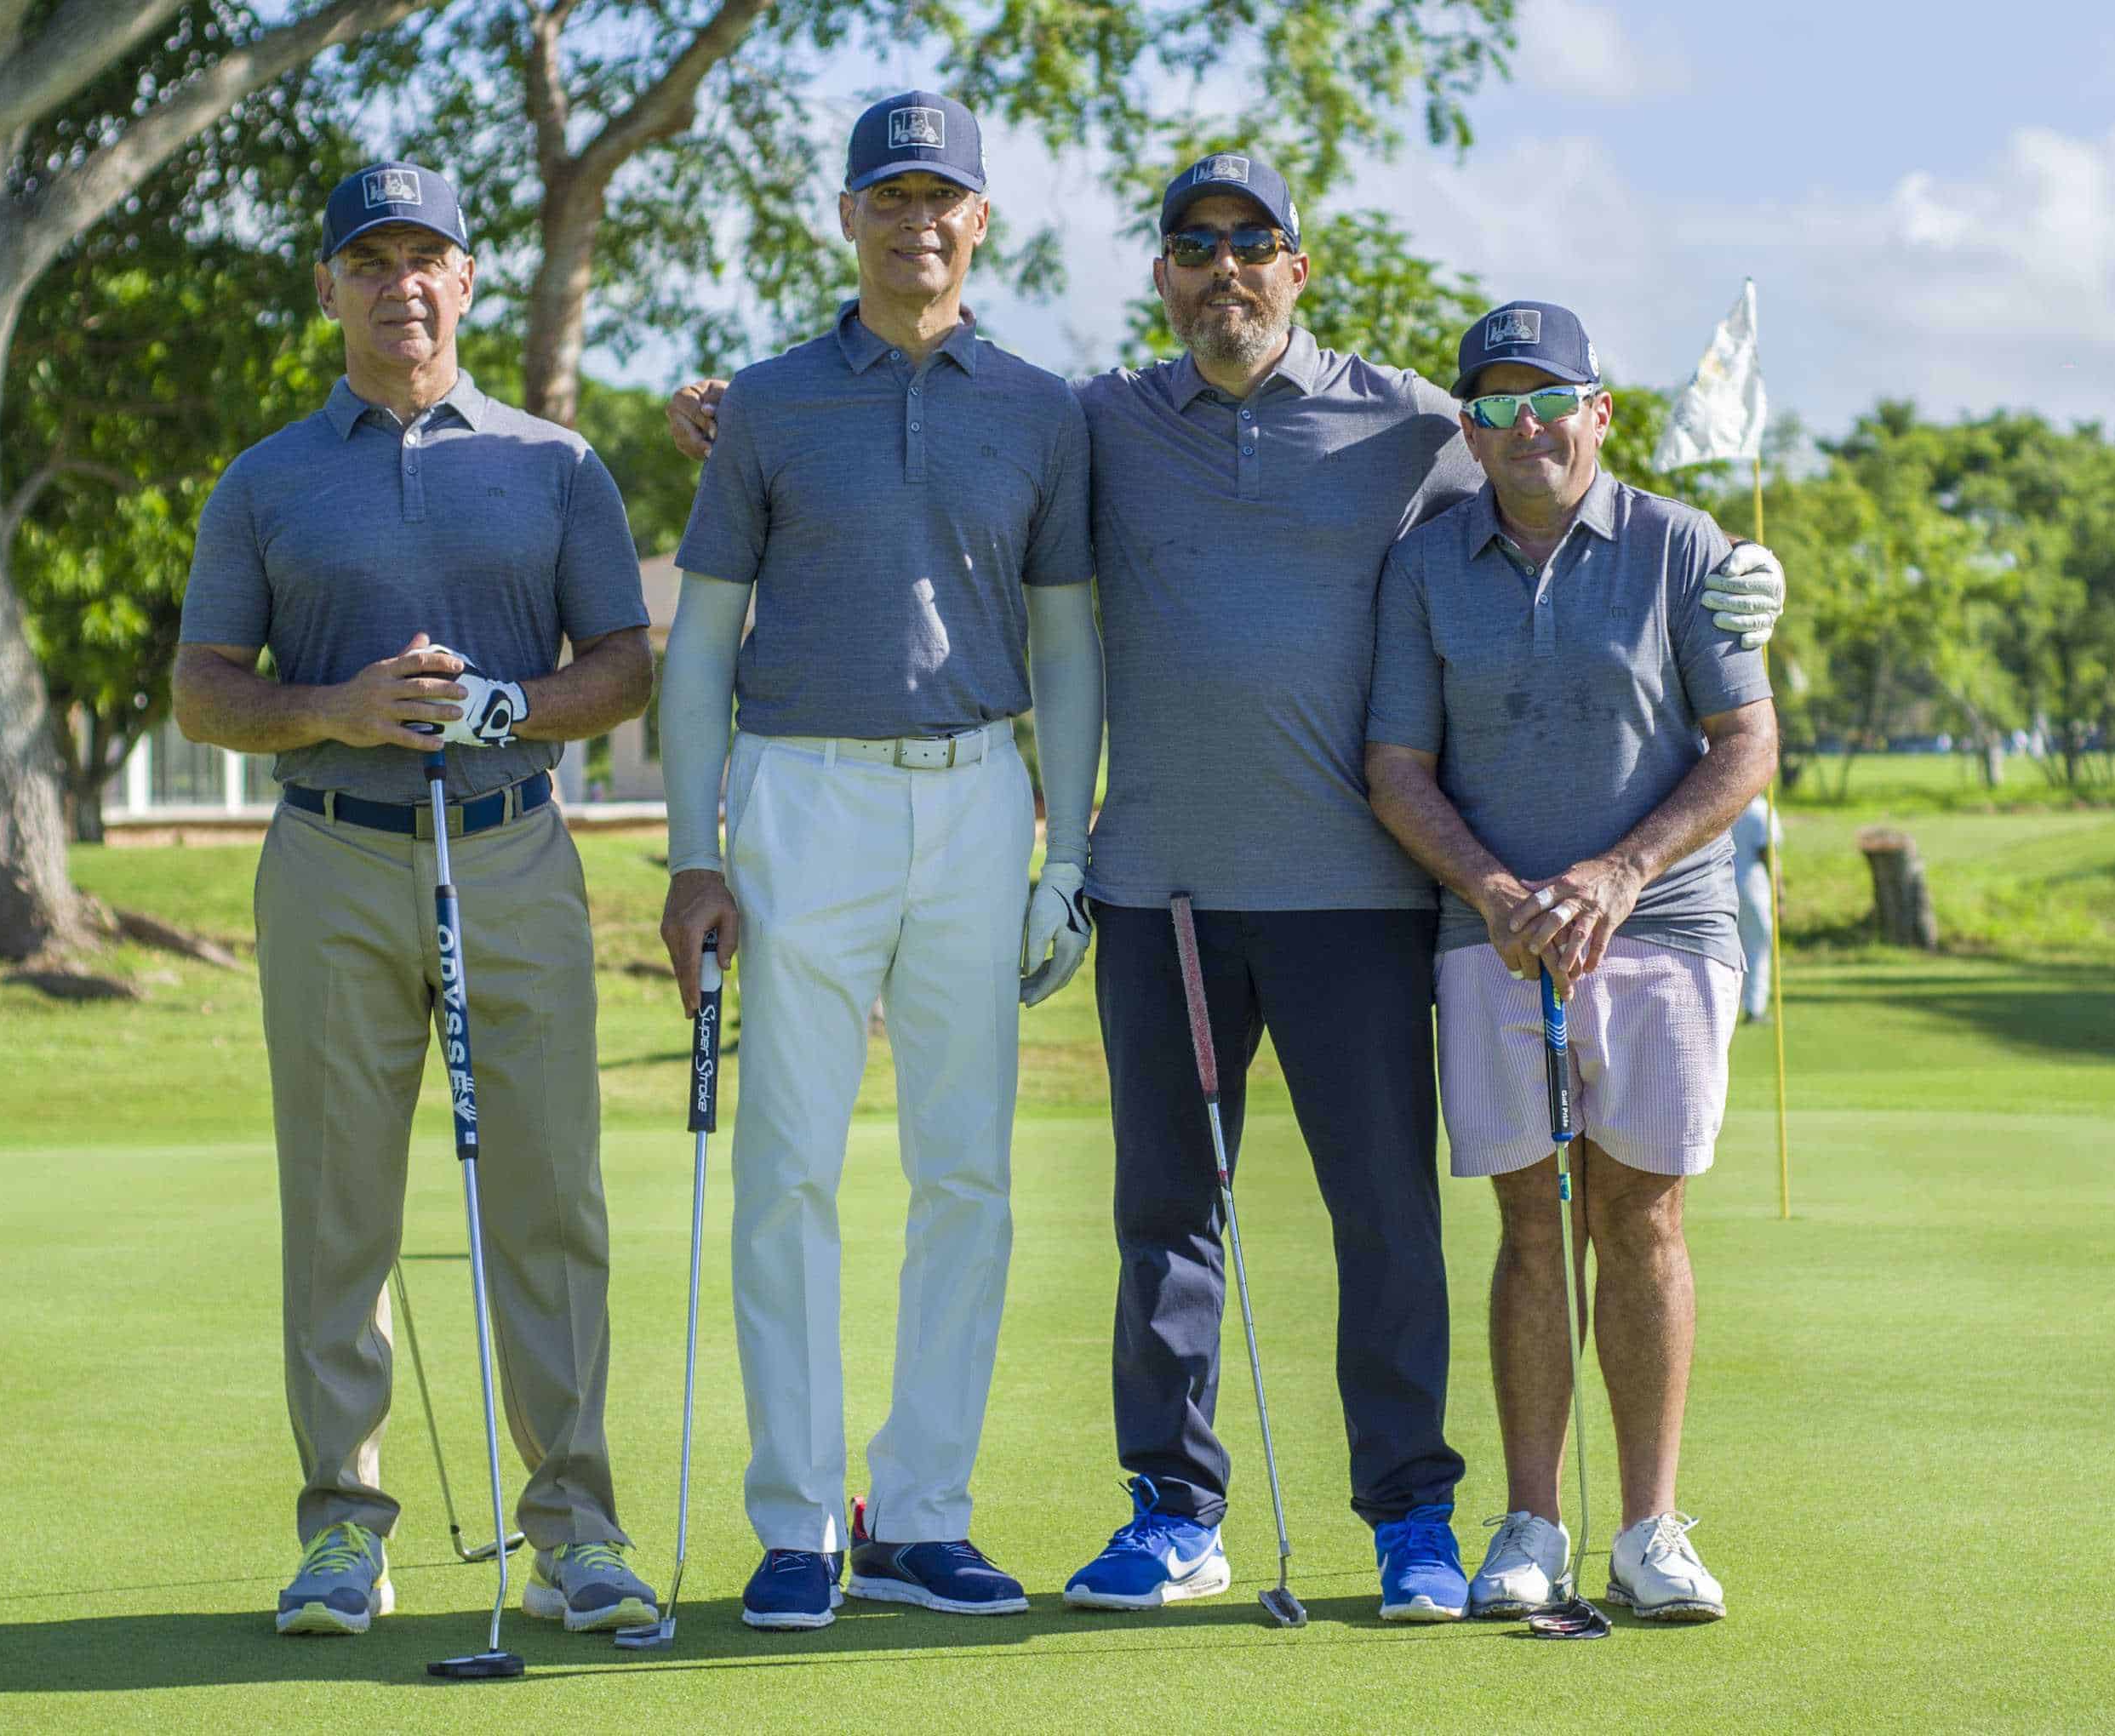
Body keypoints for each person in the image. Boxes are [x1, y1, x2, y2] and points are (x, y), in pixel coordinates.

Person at [668, 152, 1788, 1624]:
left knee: (1383, 1223)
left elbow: (1556, 480)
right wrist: (733, 416)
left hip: (1355, 894)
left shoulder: (1411, 423)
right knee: (1166, 1224)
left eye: (1252, 243)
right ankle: (1173, 1515)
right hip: (1163, 895)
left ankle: (1410, 1521)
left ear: (1297, 267)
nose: (1224, 271)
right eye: (1194, 248)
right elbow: (942, 423)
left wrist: (1730, 568)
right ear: (1163, 277)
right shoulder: (1097, 418)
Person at [171, 162, 659, 1638]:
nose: (401, 286)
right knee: (339, 1207)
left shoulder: (557, 464)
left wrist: (504, 705)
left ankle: (575, 1529)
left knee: (550, 1201)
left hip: (512, 848)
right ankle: (342, 1527)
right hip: (332, 854)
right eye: (370, 261)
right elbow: (205, 691)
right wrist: (339, 707)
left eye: (425, 258)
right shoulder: (265, 480)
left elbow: (623, 665)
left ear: (467, 279)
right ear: (328, 287)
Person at [654, 92, 1103, 1633]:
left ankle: (918, 1517)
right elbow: (702, 641)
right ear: (848, 217)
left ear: (981, 221)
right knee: (786, 1169)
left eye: (942, 199)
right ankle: (796, 1524)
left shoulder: (1042, 408)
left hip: (979, 800)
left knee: (965, 1171)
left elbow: (1067, 645)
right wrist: (691, 852)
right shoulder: (769, 404)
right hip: (800, 800)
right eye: (889, 198)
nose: (918, 222)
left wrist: (1067, 852)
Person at [1363, 300, 1780, 1624]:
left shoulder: (1680, 544)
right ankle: (1532, 1524)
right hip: (1492, 934)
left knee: (1640, 1214)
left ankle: (1652, 1529)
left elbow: (1746, 743)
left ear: (1599, 412)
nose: (1525, 426)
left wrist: (1619, 872)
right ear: (1470, 428)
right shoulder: (1427, 565)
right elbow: (1395, 766)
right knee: (1532, 1223)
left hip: (1661, 925)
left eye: (1551, 400)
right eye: (1496, 406)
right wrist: (1496, 892)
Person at [1730, 793, 1781, 1022]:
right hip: (1753, 887)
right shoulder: (1761, 810)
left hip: (1723, 886)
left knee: (1729, 949)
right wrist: (1780, 895)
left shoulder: (1727, 803)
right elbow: (1769, 855)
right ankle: (1755, 1007)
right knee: (1758, 948)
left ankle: (1731, 1006)